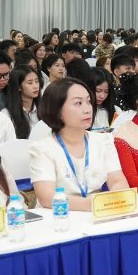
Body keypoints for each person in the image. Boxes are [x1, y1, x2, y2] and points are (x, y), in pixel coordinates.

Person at [28, 78, 129, 210]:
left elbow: (118, 182)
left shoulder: (104, 141)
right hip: (58, 215)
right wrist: (96, 204)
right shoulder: (42, 149)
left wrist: (114, 199)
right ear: (57, 110)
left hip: (96, 214)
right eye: (78, 103)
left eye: (88, 101)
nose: (87, 109)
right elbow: (47, 198)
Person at [1, 65, 42, 139]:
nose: (35, 86)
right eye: (30, 83)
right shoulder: (6, 115)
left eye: (37, 81)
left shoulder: (44, 109)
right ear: (18, 87)